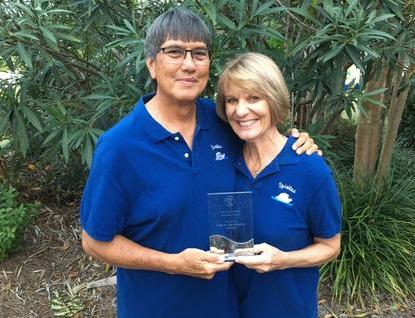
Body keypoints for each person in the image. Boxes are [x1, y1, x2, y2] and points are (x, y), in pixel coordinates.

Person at [80, 8, 319, 318]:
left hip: (227, 307)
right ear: (152, 64)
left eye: (199, 53)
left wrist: (297, 142)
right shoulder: (119, 148)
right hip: (156, 308)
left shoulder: (224, 122)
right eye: (175, 52)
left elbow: (265, 140)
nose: (189, 65)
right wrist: (173, 264)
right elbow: (95, 243)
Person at [216, 52, 341, 318]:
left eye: (253, 98)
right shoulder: (221, 161)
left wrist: (282, 260)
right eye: (231, 100)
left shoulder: (309, 168)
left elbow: (330, 246)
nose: (240, 110)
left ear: (273, 100)